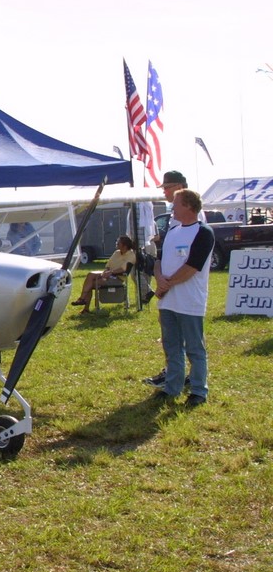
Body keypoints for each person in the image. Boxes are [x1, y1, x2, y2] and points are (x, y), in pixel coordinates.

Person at [150, 189, 215, 406]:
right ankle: (172, 387)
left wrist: (167, 283)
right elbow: (158, 261)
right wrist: (159, 278)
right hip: (168, 301)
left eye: (176, 203)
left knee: (195, 348)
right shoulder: (172, 231)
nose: (172, 207)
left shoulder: (203, 232)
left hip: (190, 301)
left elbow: (192, 267)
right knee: (171, 346)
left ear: (188, 205)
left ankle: (198, 391)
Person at [142, 170, 201, 387]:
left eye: (167, 187)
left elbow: (192, 261)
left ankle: (189, 379)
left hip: (184, 289)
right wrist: (160, 277)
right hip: (168, 287)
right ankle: (173, 373)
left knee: (189, 339)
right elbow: (164, 254)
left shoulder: (193, 219)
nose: (165, 192)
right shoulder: (175, 216)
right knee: (171, 337)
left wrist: (167, 283)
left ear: (180, 187)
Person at [71, 235, 136, 313]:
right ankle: (83, 301)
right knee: (90, 275)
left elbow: (123, 269)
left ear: (124, 246)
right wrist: (106, 272)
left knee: (91, 284)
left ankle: (84, 305)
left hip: (118, 278)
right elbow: (108, 265)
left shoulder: (131, 255)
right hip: (108, 275)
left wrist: (111, 272)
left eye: (118, 243)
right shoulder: (116, 253)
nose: (116, 243)